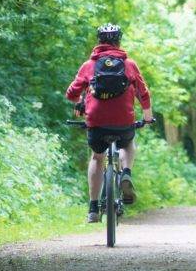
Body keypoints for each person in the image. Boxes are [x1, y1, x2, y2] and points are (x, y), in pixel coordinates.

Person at [66, 23, 154, 223]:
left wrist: (80, 101)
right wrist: (147, 116)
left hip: (96, 123)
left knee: (97, 157)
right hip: (123, 121)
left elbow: (71, 93)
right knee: (128, 142)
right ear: (119, 41)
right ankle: (126, 173)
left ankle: (93, 208)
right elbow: (143, 92)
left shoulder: (89, 65)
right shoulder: (129, 64)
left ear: (99, 41)